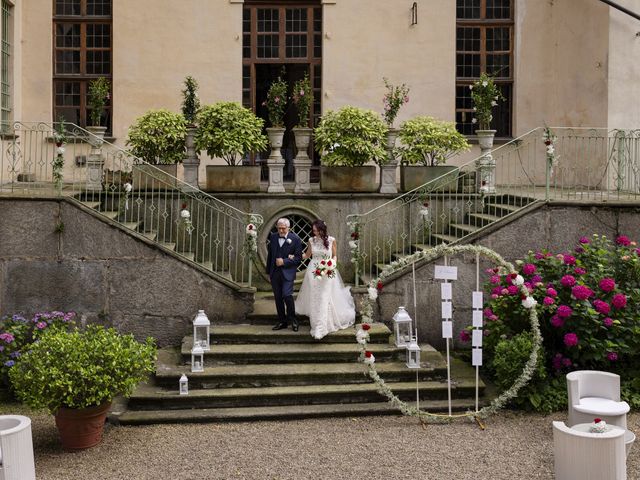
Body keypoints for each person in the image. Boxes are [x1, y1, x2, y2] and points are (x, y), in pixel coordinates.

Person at [295, 219, 355, 339]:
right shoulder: (311, 240)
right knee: (315, 296)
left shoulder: (332, 240)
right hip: (314, 270)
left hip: (328, 271)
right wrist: (293, 256)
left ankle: (321, 327)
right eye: (313, 231)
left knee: (324, 296)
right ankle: (316, 324)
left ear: (322, 229)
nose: (315, 233)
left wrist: (332, 264)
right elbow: (307, 255)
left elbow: (334, 255)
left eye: (317, 231)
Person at [266, 218, 303, 332]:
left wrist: (285, 261)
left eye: (283, 228)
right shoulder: (273, 237)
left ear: (288, 228)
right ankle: (282, 321)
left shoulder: (295, 239)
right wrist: (268, 272)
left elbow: (298, 258)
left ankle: (293, 320)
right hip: (275, 273)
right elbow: (270, 256)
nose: (281, 230)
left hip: (288, 273)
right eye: (279, 228)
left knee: (287, 295)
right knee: (278, 298)